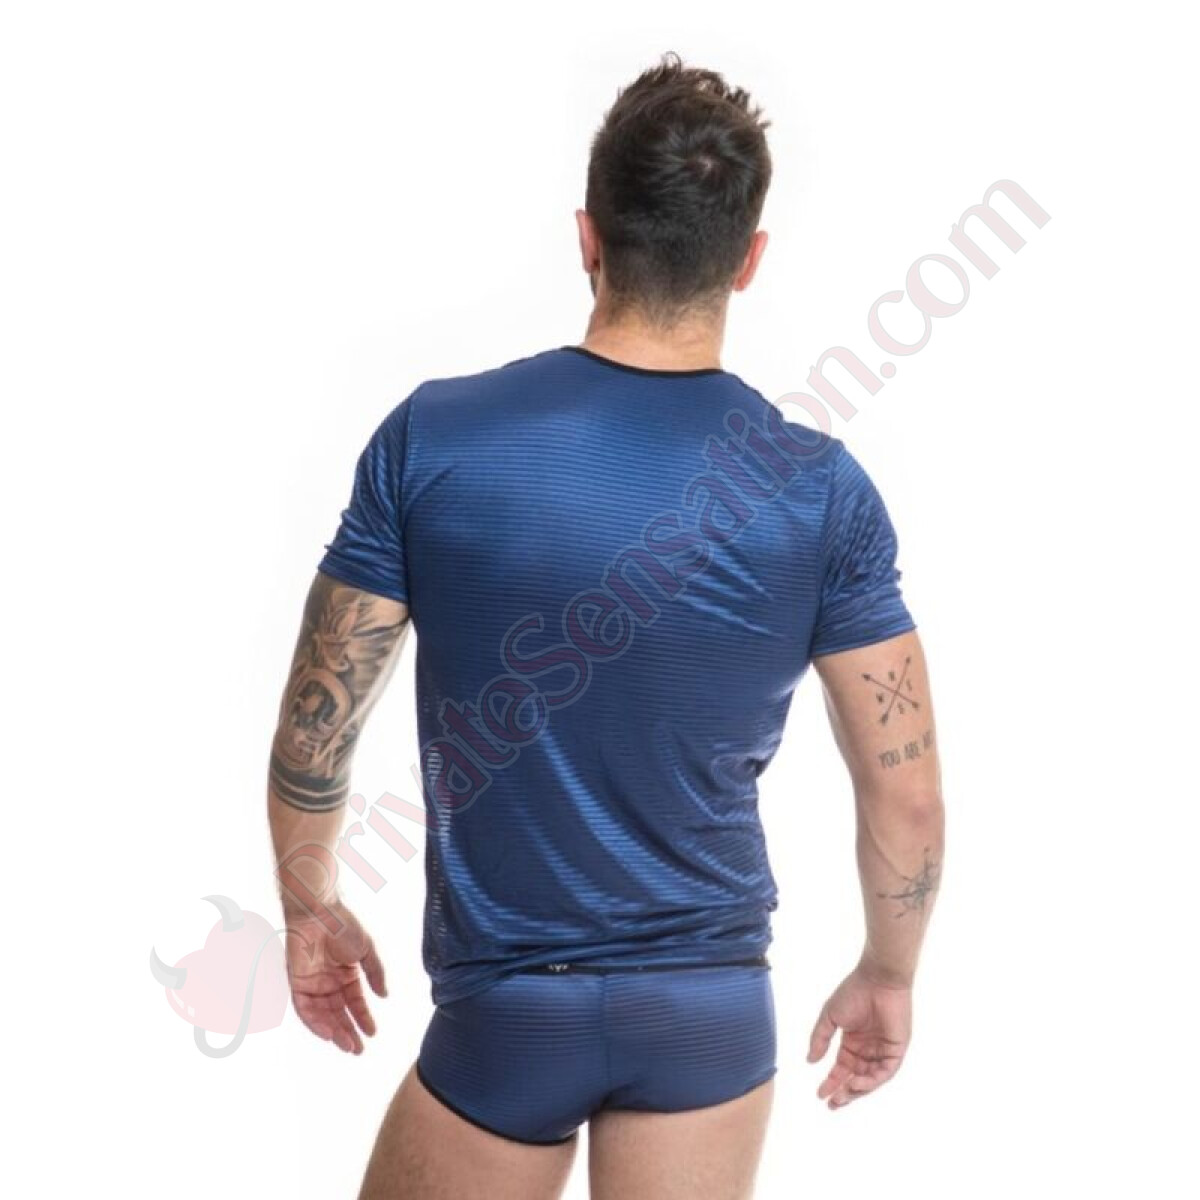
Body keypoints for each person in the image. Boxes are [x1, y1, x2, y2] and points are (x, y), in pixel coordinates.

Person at [267, 50, 944, 1200]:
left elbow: (314, 731)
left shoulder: (434, 439)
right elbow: (907, 793)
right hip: (709, 1016)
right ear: (749, 259)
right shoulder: (820, 491)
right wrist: (889, 972)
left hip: (508, 1013)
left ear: (588, 237)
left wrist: (309, 904)